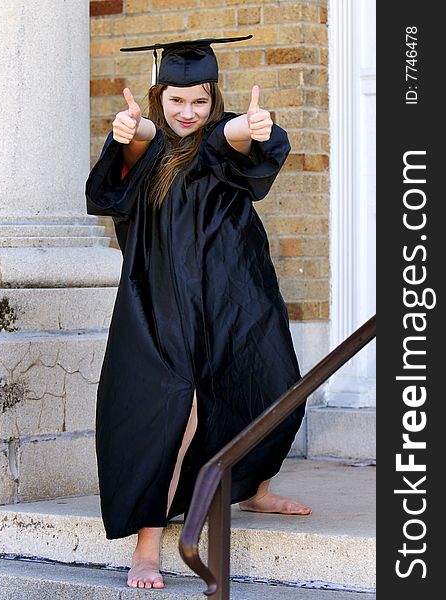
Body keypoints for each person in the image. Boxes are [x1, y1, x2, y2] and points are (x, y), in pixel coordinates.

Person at [85, 36, 311, 590]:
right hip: (165, 302)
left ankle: (252, 488)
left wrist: (253, 129)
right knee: (171, 415)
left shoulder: (220, 138)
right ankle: (147, 543)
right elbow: (135, 143)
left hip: (235, 295)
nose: (188, 113)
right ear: (160, 98)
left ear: (215, 99)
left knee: (267, 386)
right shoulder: (151, 148)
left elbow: (235, 140)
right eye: (177, 102)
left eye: (201, 103)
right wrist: (128, 130)